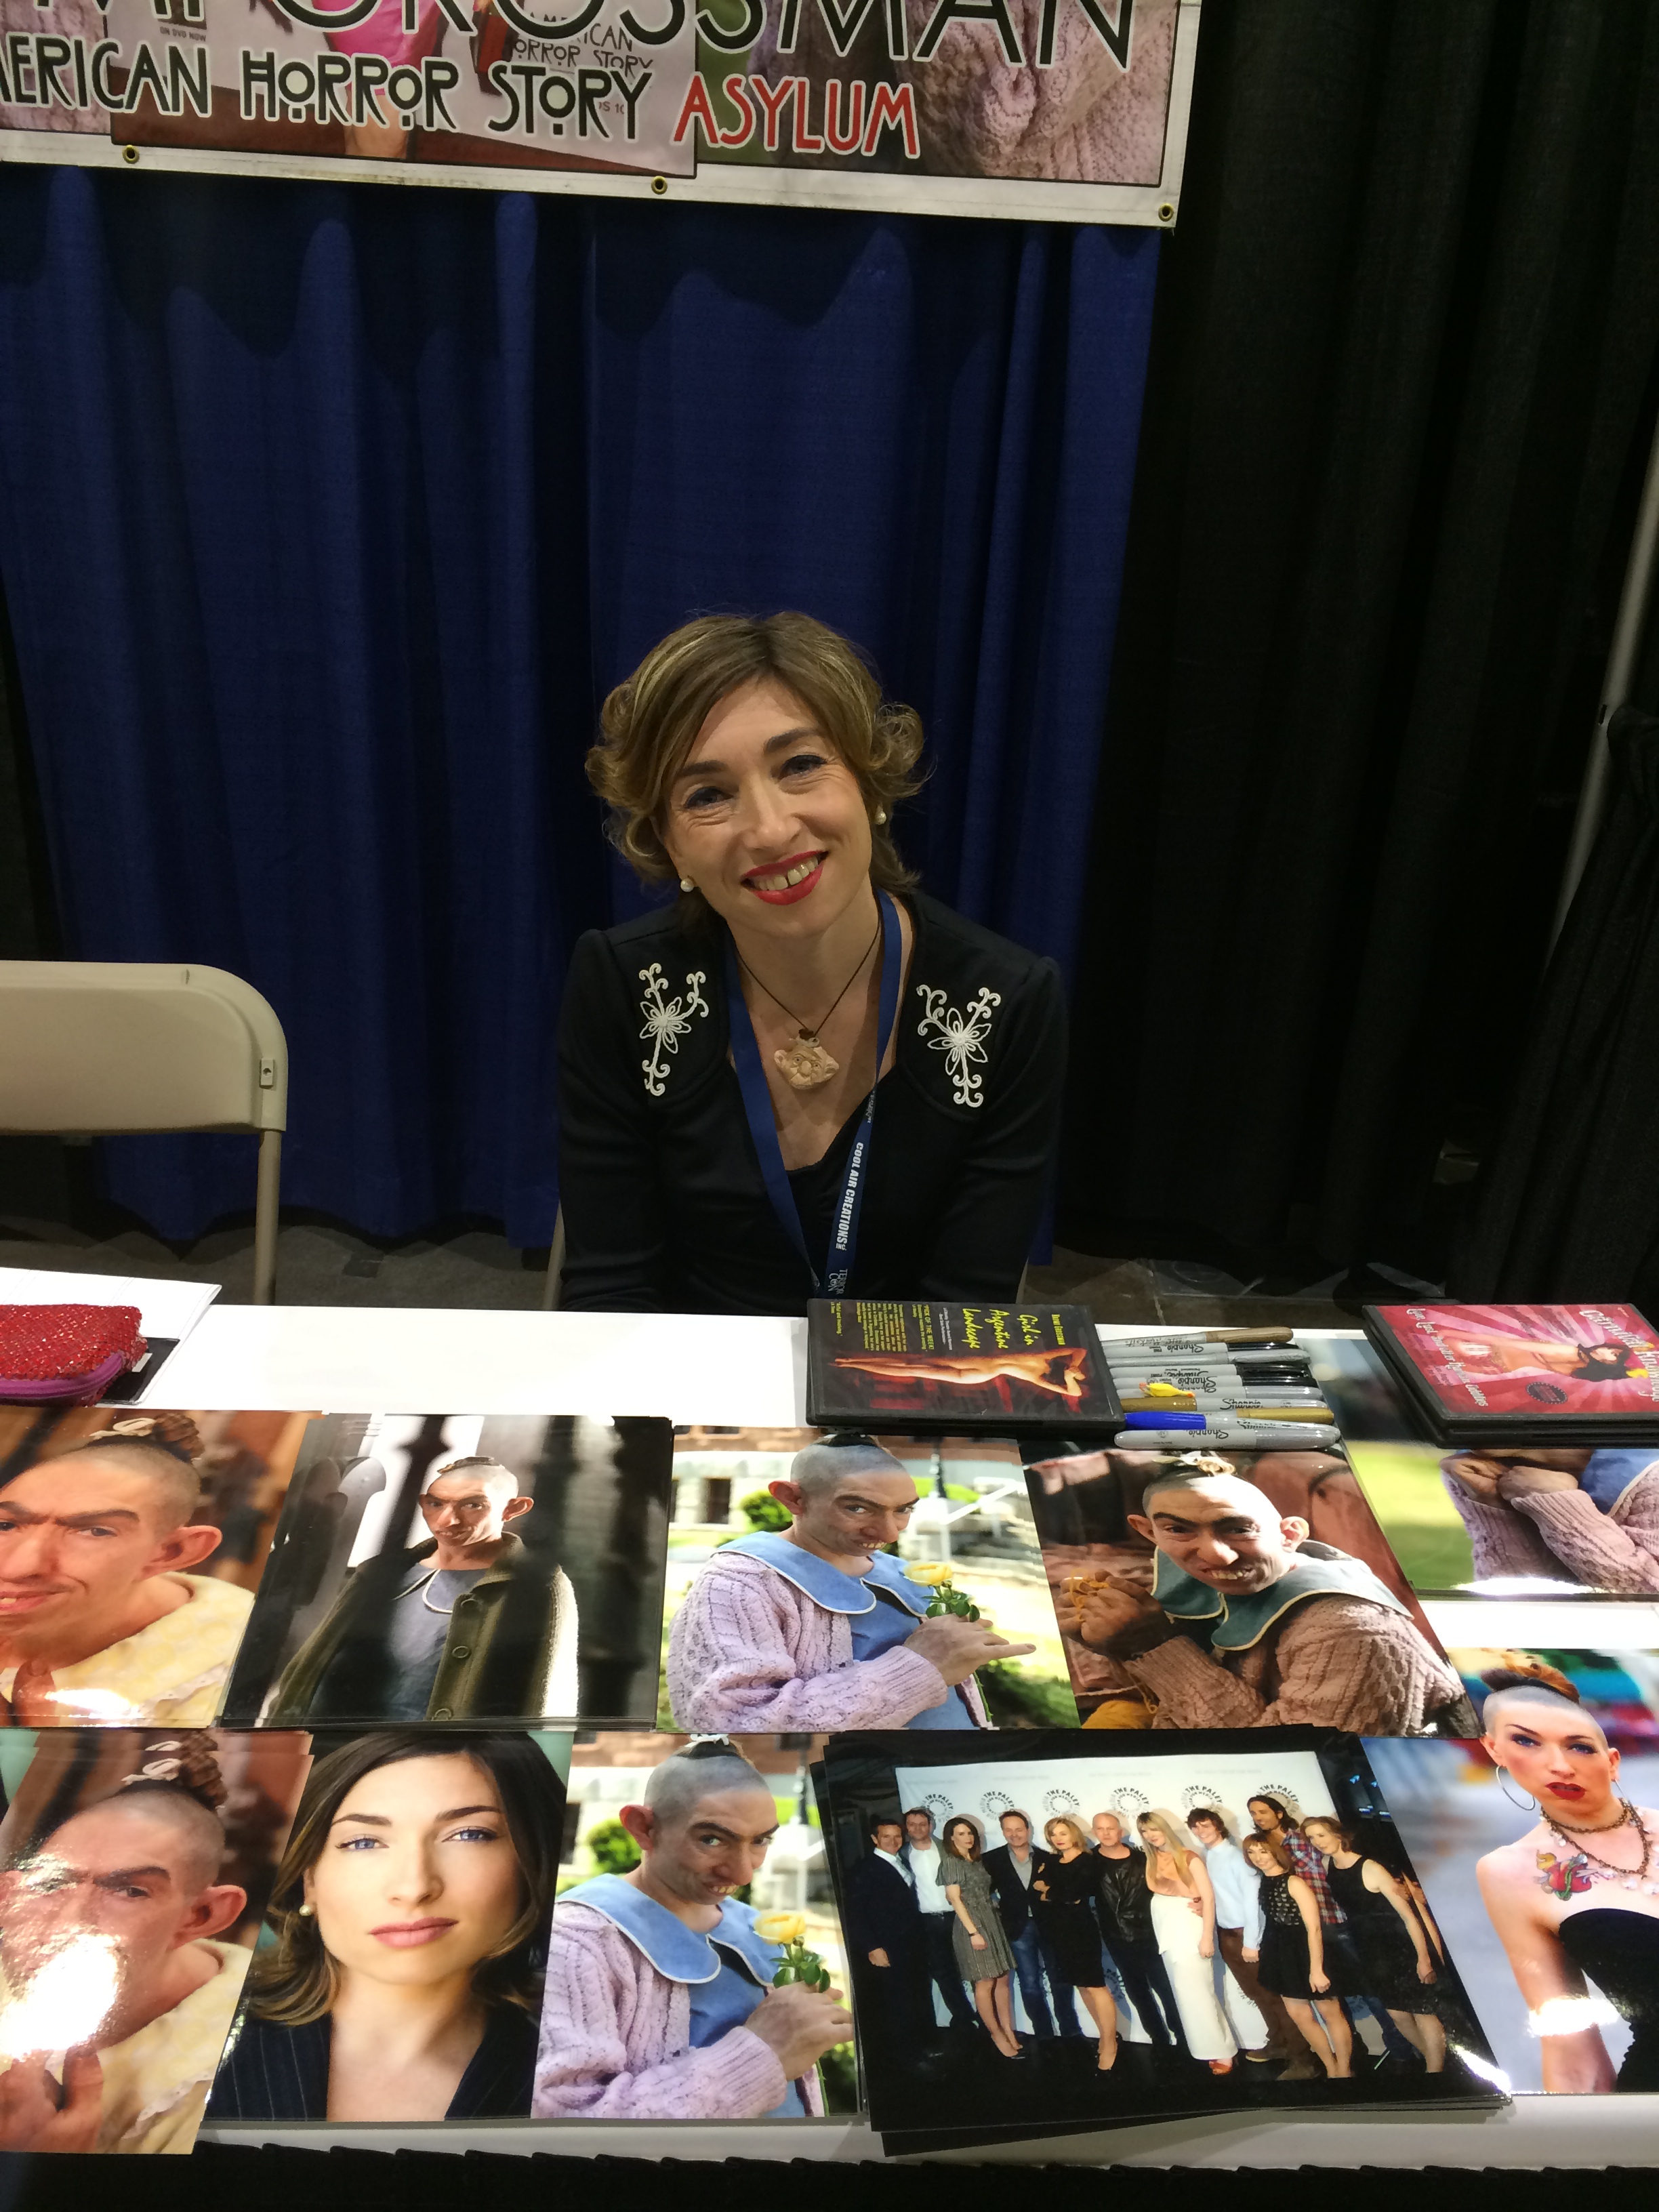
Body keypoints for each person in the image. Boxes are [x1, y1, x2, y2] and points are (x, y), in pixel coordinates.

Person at [556, 611, 1068, 1314]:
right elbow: (612, 1294)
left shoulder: (1007, 1004)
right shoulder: (619, 986)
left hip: (903, 1373)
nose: (770, 830)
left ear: (869, 785)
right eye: (708, 795)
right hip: (681, 1371)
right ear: (670, 846)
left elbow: (963, 1316)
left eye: (800, 765)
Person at [207, 1732, 561, 2121]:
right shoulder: (201, 2023)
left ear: (532, 1864)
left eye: (469, 1835)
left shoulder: (570, 2076)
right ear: (310, 1881)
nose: (413, 1888)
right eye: (363, 1842)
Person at [533, 1740, 848, 2116]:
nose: (744, 1873)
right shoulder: (575, 1941)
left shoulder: (757, 1927)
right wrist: (761, 2056)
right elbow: (565, 2118)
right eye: (711, 1840)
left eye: (761, 1840)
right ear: (644, 1828)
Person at [1052, 1462, 1469, 1734]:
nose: (1216, 1556)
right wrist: (1115, 1643)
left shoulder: (1353, 1632)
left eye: (1238, 1529)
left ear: (1290, 1534)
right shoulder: (1193, 1573)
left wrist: (1149, 1646)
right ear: (1149, 1532)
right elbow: (1171, 1692)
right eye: (1179, 1530)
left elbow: (1290, 1755)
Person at [667, 1436, 1029, 1731]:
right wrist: (920, 1667)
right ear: (793, 1499)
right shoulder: (739, 1582)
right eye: (858, 1508)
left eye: (903, 1509)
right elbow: (730, 1720)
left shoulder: (903, 1572)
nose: (889, 1533)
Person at [0, 1733, 249, 2150]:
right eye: (51, 1882)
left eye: (131, 1891)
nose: (67, 1923)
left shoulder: (232, 2068)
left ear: (201, 1916)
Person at [267, 1456, 578, 1723]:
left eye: (473, 1505)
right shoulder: (381, 1572)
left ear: (513, 1509)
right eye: (436, 1504)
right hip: (335, 1741)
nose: (447, 1520)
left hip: (436, 1756)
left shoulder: (536, 1583)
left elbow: (548, 1692)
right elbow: (312, 1661)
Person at [1473, 1657, 1659, 2091]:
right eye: (1526, 1741)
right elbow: (1571, 2049)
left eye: (1579, 1747)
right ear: (1494, 1750)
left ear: (1612, 1761)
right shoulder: (1510, 1871)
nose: (1559, 1765)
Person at [0, 1415, 254, 1725]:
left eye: (95, 1531)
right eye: (6, 1525)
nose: (17, 1567)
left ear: (171, 1552)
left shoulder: (241, 1670)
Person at [1247, 1795, 1409, 2068]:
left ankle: (1400, 2048)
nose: (1258, 1817)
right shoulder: (1265, 1848)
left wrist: (1396, 1882)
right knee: (1330, 2001)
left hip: (1332, 1920)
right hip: (1301, 1935)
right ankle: (1351, 2055)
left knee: (1367, 1990)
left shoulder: (1302, 1838)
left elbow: (1339, 1860)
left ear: (1279, 1813)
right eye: (1253, 1813)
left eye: (1263, 1811)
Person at [1300, 1816, 1446, 2073]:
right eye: (1311, 1838)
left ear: (1337, 1834)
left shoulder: (1371, 1868)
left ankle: (1434, 2071)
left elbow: (1409, 1917)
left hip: (1400, 1946)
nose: (1317, 1842)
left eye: (1321, 1835)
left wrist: (1424, 1958)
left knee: (1423, 2011)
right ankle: (1432, 2062)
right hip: (1370, 1950)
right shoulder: (1328, 1865)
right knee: (1398, 2015)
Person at [1439, 1448, 1659, 1593]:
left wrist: (1560, 1504)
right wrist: (1494, 1507)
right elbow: (1516, 1610)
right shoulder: (1475, 1466)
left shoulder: (1650, 1471)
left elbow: (1649, 1598)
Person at [1185, 1806, 1301, 2072]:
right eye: (1195, 1827)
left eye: (1205, 1825)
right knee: (1257, 1995)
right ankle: (1279, 2043)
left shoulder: (1238, 1858)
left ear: (1218, 1826)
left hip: (1245, 1935)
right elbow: (1220, 1896)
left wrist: (1251, 1942)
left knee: (1272, 1997)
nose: (1200, 1831)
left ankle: (1300, 2056)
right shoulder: (1208, 1855)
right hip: (1226, 1934)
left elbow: (1253, 1903)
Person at [1242, 1832, 1352, 2080]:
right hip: (1280, 1954)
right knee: (1301, 2017)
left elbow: (1314, 1928)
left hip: (1307, 1952)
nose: (1258, 1858)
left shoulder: (1295, 1883)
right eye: (1252, 1852)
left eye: (1263, 1851)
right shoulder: (1262, 1882)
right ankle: (1330, 2067)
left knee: (1331, 2014)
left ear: (1275, 1852)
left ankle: (1344, 2072)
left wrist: (1317, 1969)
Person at [1134, 1812, 1236, 2074]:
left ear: (1165, 1829)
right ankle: (1205, 2049)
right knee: (1186, 1994)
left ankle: (1223, 2051)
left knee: (1200, 1992)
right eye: (1145, 1831)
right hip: (1167, 1933)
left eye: (1154, 1829)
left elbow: (1208, 1899)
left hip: (1190, 1931)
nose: (1150, 1835)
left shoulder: (1190, 1857)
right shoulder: (1151, 1859)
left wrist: (1206, 1938)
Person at [1088, 1811, 1186, 2055]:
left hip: (1150, 1935)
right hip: (1117, 1939)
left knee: (1166, 1989)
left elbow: (1170, 1887)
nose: (1106, 1833)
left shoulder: (1144, 1858)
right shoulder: (1088, 1863)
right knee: (1138, 1993)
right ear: (1094, 1832)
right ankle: (1159, 2040)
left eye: (1110, 1828)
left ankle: (1184, 2038)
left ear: (1120, 1831)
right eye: (1100, 1829)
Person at [983, 1809, 1084, 2041]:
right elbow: (983, 1893)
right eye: (1008, 1830)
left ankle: (1070, 2031)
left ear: (1028, 1830)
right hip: (1018, 1929)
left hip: (1051, 1926)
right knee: (1029, 1983)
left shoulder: (1048, 1858)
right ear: (1002, 1832)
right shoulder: (991, 1860)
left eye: (1019, 1829)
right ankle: (1044, 2033)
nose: (1014, 1834)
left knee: (1060, 1980)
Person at [1029, 1816, 1120, 2069]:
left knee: (1095, 1985)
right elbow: (1036, 1889)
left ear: (1073, 1834)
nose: (1058, 1839)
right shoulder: (1051, 1861)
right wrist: (1053, 1893)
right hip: (1058, 1932)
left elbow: (1075, 1894)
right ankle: (1105, 2036)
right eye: (1053, 1834)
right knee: (1081, 1986)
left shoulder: (1088, 1860)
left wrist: (1050, 1892)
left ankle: (1110, 2044)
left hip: (1081, 1930)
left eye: (1063, 1833)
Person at [937, 1817, 1023, 2060]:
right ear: (951, 1838)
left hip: (992, 1920)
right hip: (972, 1925)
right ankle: (995, 2034)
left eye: (970, 1833)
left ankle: (1008, 2030)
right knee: (985, 1982)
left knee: (1003, 1978)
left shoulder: (976, 1860)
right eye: (961, 1834)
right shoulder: (951, 1862)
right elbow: (955, 1900)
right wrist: (973, 1932)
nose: (967, 1838)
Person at [842, 1817, 932, 2045]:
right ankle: (908, 2054)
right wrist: (872, 1947)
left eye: (897, 1836)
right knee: (897, 2001)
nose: (893, 1841)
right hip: (887, 1945)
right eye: (886, 1837)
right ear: (875, 1839)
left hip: (912, 1944)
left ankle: (924, 2046)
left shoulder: (902, 1862)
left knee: (917, 1995)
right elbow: (855, 1914)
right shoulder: (864, 1869)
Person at [903, 1807, 975, 2032]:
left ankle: (986, 2017)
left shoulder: (948, 1848)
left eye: (922, 1824)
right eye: (912, 1824)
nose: (917, 1829)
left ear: (931, 1826)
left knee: (974, 1968)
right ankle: (965, 2018)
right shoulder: (901, 1855)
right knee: (943, 1972)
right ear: (906, 1827)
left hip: (959, 1917)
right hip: (927, 1922)